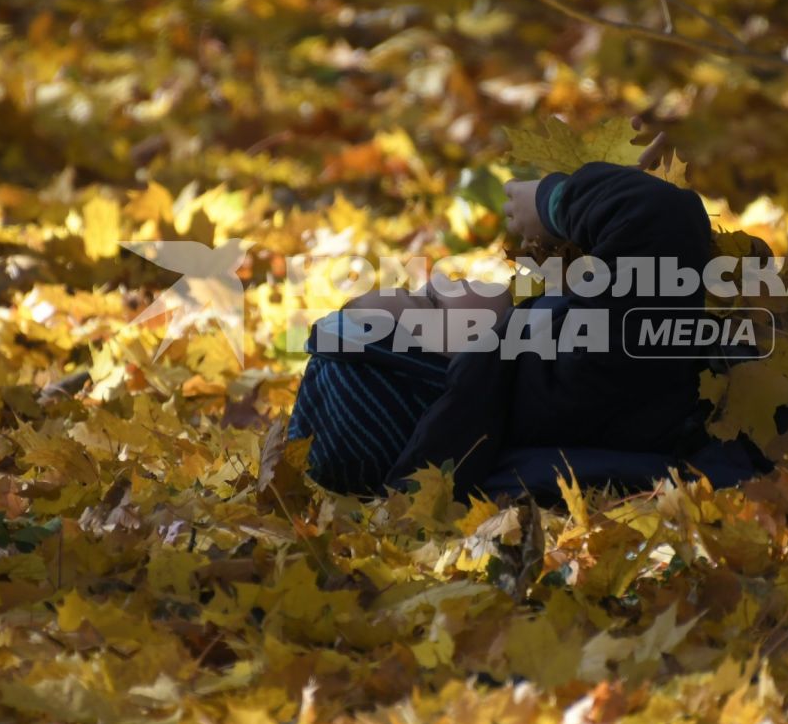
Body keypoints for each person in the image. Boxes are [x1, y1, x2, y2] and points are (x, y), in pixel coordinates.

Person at [286, 119, 741, 497]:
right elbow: (658, 222)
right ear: (444, 376)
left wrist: (597, 225)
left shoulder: (531, 406)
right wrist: (558, 203)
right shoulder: (564, 376)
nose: (441, 278)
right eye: (429, 301)